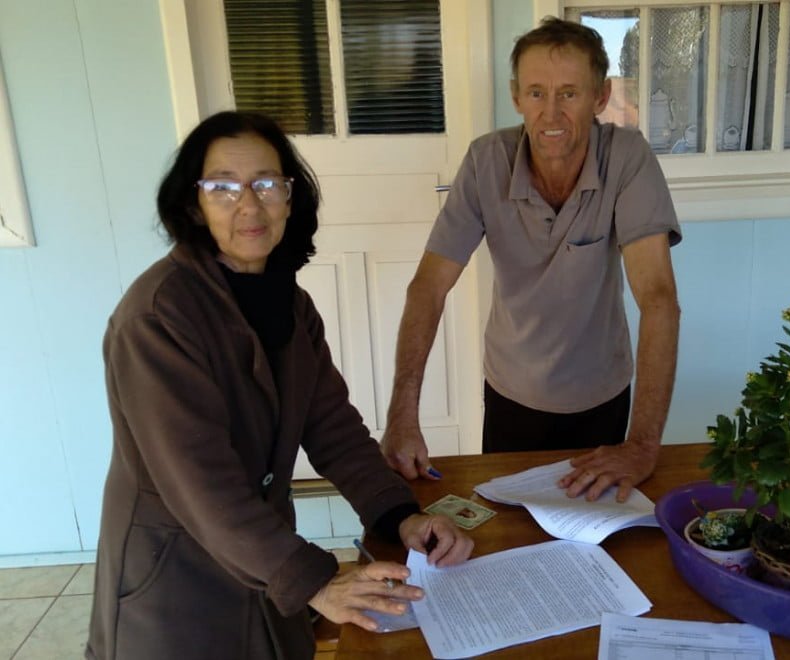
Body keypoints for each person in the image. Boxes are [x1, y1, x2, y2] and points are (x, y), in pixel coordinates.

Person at [86, 111, 473, 660]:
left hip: (261, 557)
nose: (250, 204)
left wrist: (399, 514)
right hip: (176, 578)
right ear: (195, 204)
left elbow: (332, 427)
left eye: (268, 184)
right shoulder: (157, 318)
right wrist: (314, 581)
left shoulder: (290, 304)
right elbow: (201, 484)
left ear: (291, 199)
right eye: (223, 187)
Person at [381, 17, 681, 503]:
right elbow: (429, 287)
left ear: (601, 97)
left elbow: (659, 298)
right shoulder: (485, 161)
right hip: (511, 394)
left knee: (594, 536)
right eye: (537, 93)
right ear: (516, 96)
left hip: (600, 396)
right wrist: (402, 417)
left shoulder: (627, 158)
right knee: (510, 530)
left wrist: (643, 445)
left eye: (569, 93)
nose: (551, 113)